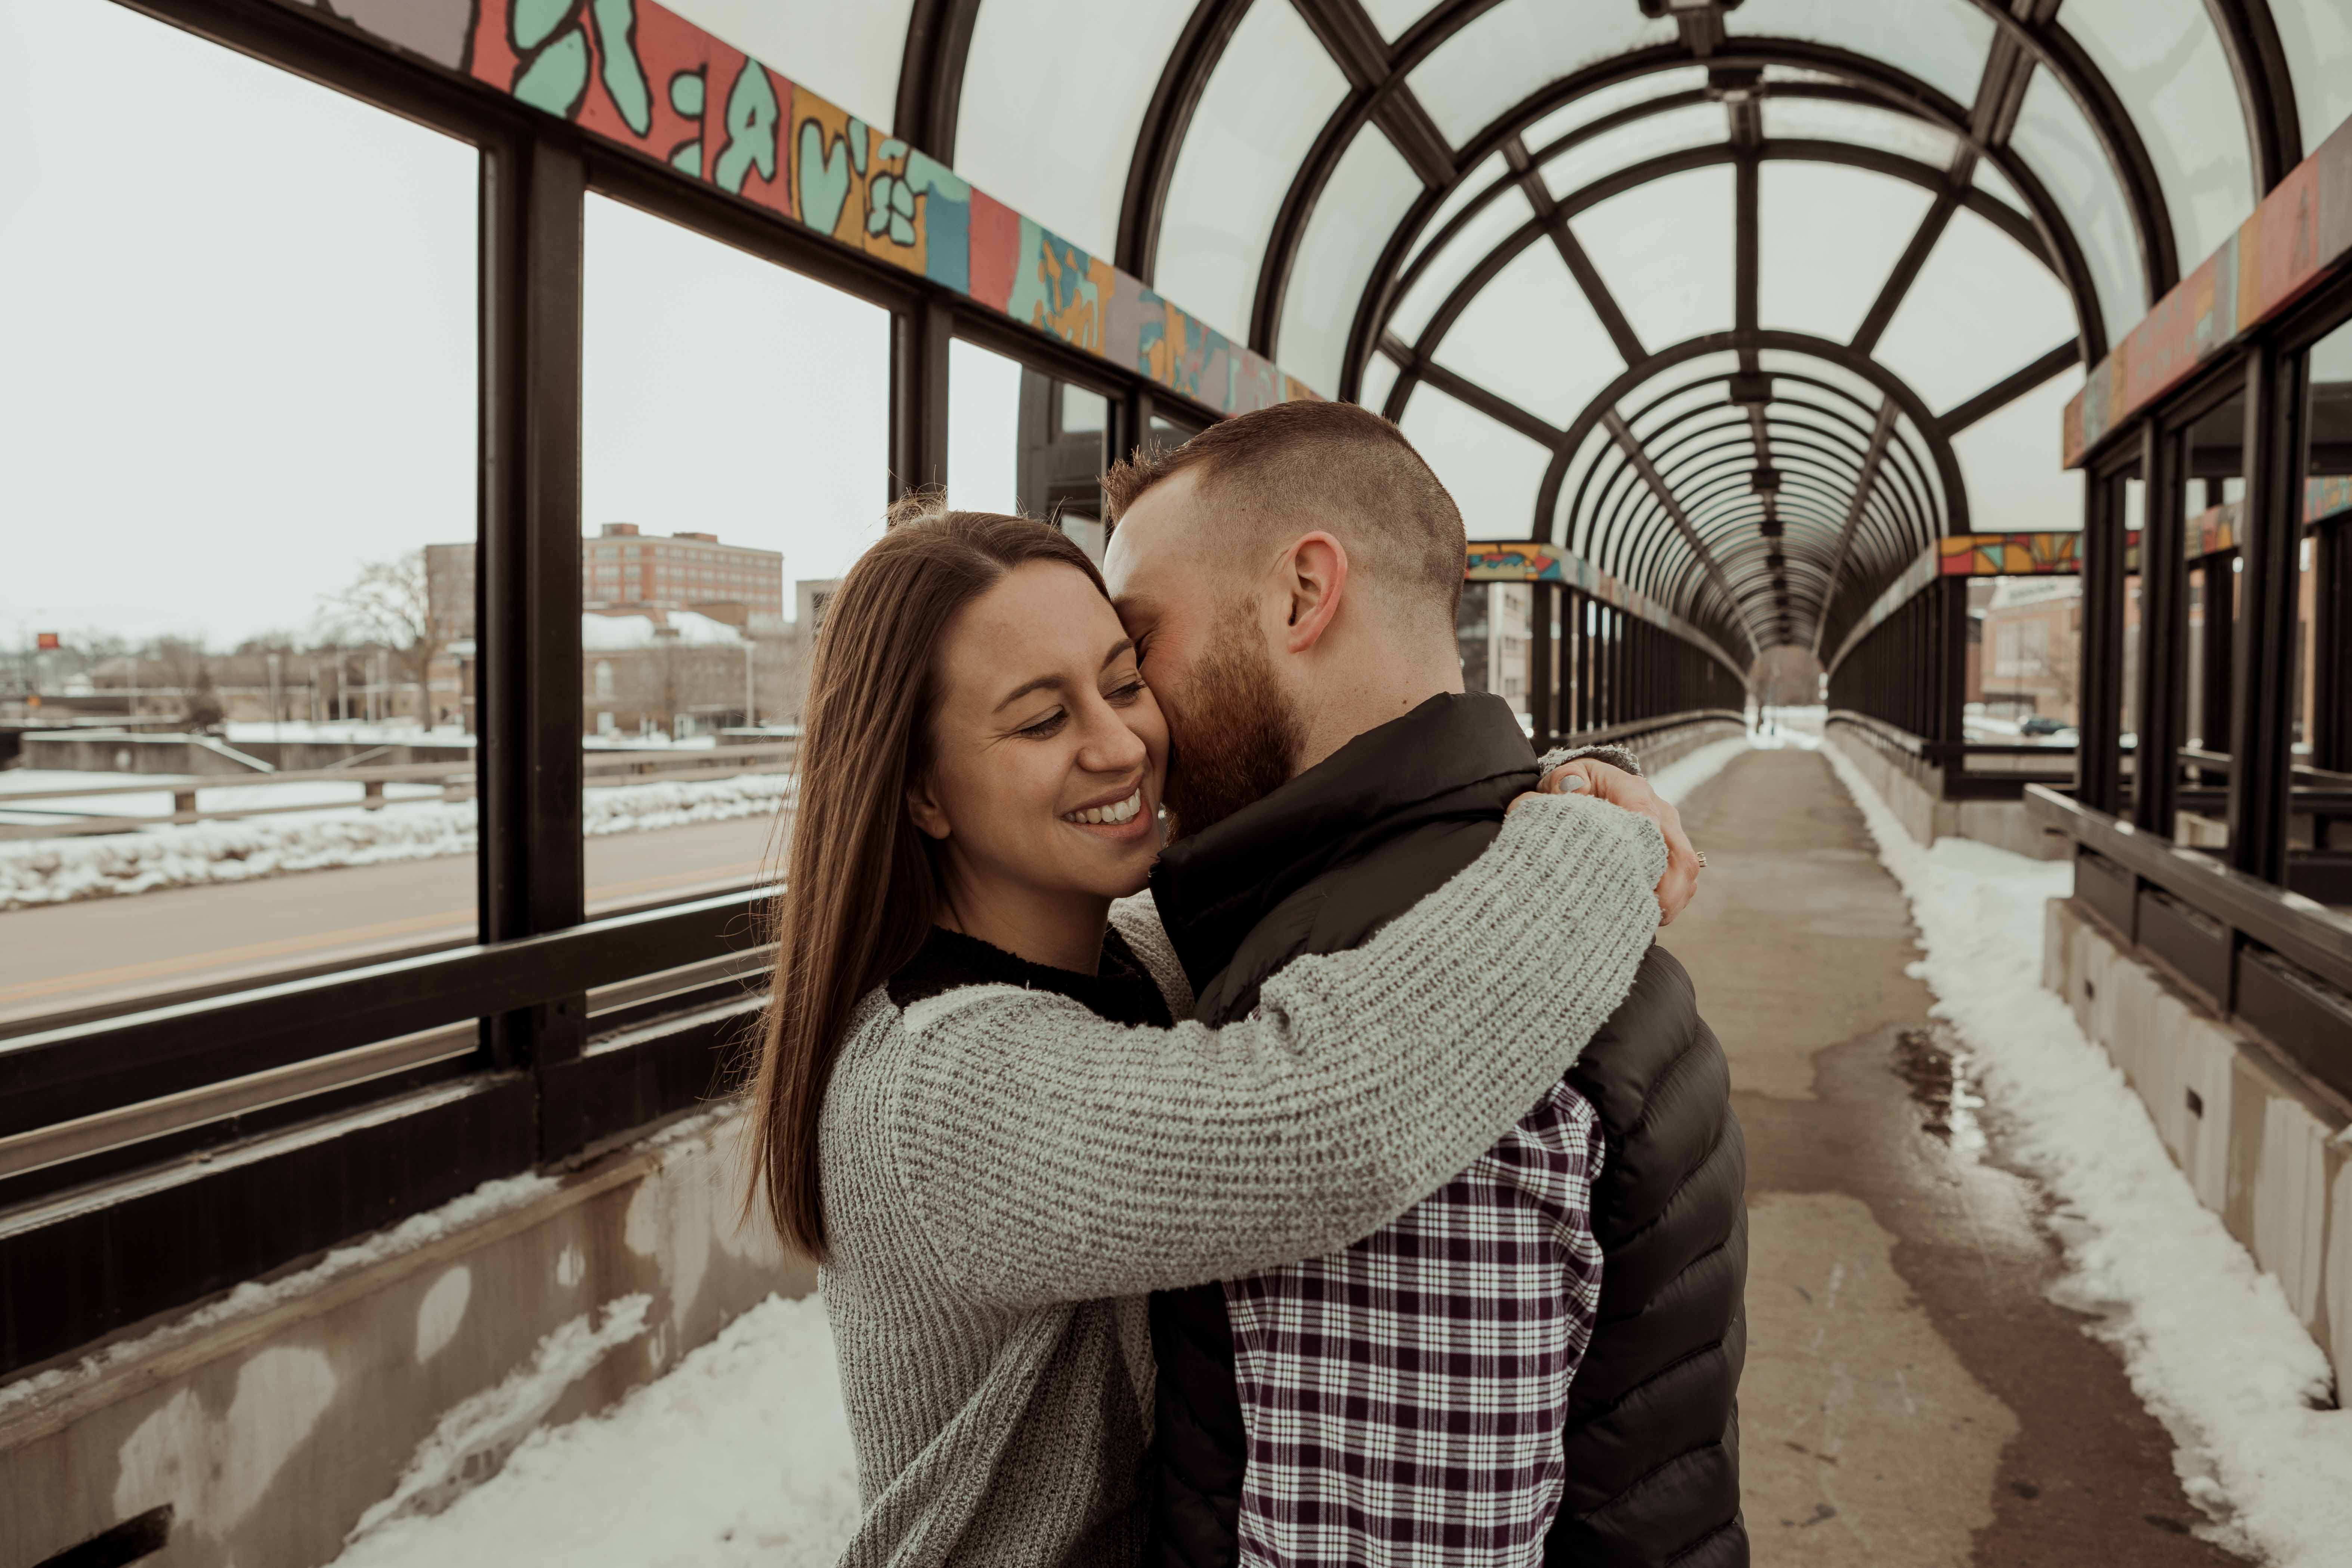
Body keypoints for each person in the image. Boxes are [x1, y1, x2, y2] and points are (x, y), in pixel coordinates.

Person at [743, 498, 1681, 1567]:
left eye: (1125, 680)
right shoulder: (939, 1086)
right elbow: (1331, 1116)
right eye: (1043, 721)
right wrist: (1599, 851)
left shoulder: (1131, 954)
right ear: (920, 791)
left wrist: (1568, 780)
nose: (1120, 745)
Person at [1101, 400, 1746, 1568]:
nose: (1129, 714)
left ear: (1303, 593)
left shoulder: (1402, 1006)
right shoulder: (1519, 897)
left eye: (1138, 643)